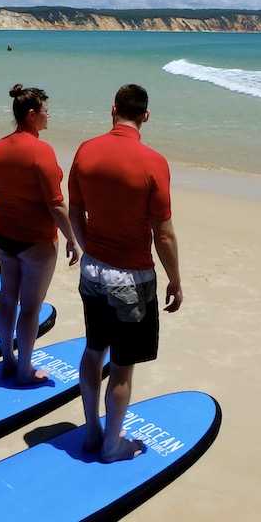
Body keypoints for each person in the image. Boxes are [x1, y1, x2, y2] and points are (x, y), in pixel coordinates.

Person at [68, 83, 183, 463]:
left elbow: (75, 212)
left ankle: (91, 431)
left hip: (93, 271)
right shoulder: (153, 162)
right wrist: (176, 280)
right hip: (132, 280)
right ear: (145, 116)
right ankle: (111, 446)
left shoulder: (86, 151)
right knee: (120, 369)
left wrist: (90, 250)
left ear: (113, 109)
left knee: (92, 350)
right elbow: (162, 234)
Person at [0, 85, 81, 384]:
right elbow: (56, 204)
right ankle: (25, 370)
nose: (48, 114)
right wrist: (72, 239)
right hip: (35, 240)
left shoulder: (0, 146)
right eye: (44, 109)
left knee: (6, 300)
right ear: (32, 115)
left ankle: (8, 360)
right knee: (30, 308)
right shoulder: (41, 151)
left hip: (4, 235)